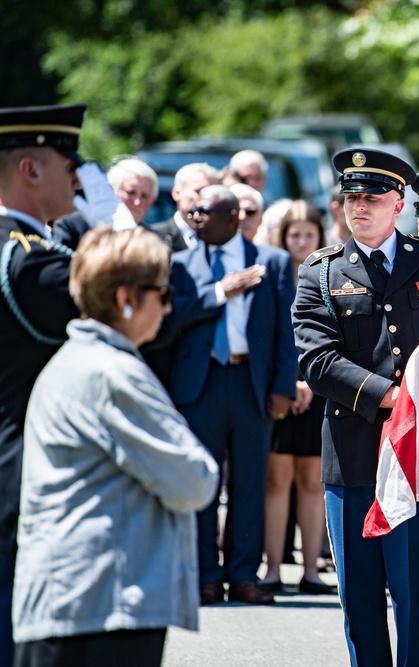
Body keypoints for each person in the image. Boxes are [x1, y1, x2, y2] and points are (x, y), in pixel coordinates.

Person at [292, 148, 419, 665]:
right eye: (351, 198)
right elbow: (318, 361)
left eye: (372, 198)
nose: (359, 207)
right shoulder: (321, 273)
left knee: (417, 594)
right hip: (353, 456)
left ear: (399, 203)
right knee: (361, 598)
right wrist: (392, 396)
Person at [12, 227, 219, 667]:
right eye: (163, 292)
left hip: (80, 603)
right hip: (102, 608)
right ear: (126, 297)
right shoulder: (113, 373)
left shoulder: (79, 360)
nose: (168, 306)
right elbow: (194, 481)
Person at [164, 184, 298, 606]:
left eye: (205, 211)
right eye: (194, 211)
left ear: (233, 216)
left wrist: (281, 388)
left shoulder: (271, 262)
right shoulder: (180, 263)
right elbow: (171, 318)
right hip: (199, 386)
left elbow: (285, 332)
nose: (194, 218)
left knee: (250, 482)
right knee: (202, 481)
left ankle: (243, 574)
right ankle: (205, 574)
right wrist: (222, 291)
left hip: (250, 384)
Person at [0, 103, 86, 667]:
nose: (79, 179)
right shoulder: (32, 261)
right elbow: (142, 312)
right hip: (23, 464)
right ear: (31, 170)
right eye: (68, 165)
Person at [259, 201, 332, 595]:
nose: (301, 241)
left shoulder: (331, 272)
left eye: (308, 234)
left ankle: (310, 570)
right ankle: (272, 569)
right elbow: (269, 334)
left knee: (311, 480)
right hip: (279, 390)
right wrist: (289, 383)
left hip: (319, 391)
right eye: (294, 234)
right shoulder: (273, 273)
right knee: (276, 479)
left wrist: (310, 383)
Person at [149, 163, 221, 251]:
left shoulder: (223, 239)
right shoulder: (153, 237)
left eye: (213, 194)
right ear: (177, 193)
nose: (206, 198)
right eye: (199, 191)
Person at [108, 157, 158, 224]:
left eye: (144, 196)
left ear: (151, 202)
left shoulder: (154, 234)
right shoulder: (92, 231)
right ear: (111, 191)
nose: (137, 202)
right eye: (130, 192)